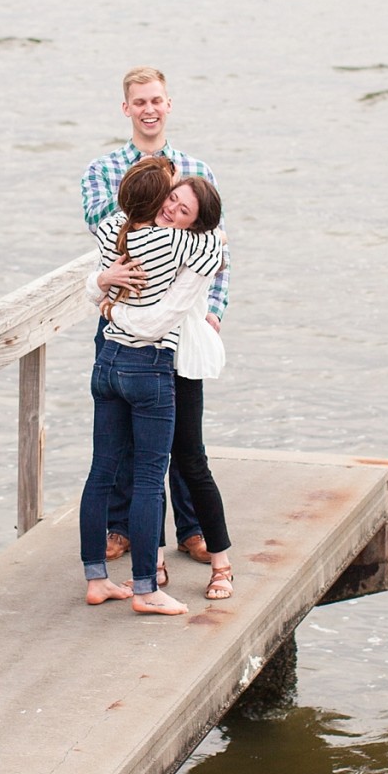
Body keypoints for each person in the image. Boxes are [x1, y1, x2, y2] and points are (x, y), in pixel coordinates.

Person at [79, 68, 228, 566]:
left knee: (183, 431)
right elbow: (112, 231)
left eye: (157, 100)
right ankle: (123, 529)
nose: (149, 109)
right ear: (126, 108)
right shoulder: (103, 169)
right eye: (139, 101)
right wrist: (108, 284)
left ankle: (191, 529)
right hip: (122, 311)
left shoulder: (195, 168)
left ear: (169, 105)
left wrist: (213, 312)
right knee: (122, 435)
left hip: (181, 322)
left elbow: (218, 243)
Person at [91, 170, 235, 600]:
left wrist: (112, 314)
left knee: (190, 458)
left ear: (196, 223)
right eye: (172, 200)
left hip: (177, 358)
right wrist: (100, 282)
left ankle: (223, 564)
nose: (171, 209)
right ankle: (152, 558)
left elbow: (162, 317)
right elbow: (99, 265)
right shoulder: (142, 234)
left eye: (184, 209)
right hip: (144, 359)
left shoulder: (195, 250)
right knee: (144, 462)